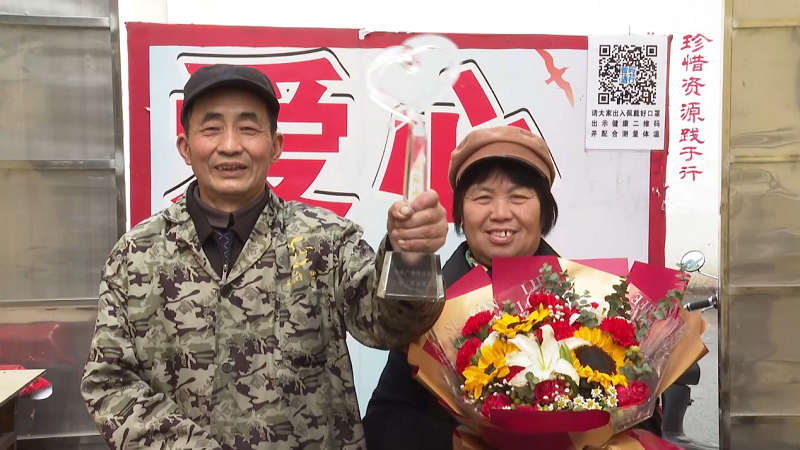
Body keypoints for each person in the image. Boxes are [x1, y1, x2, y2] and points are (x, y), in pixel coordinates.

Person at [80, 64, 448, 450]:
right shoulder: (136, 255)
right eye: (212, 128)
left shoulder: (327, 241)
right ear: (185, 148)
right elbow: (108, 384)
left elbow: (390, 327)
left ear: (275, 146)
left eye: (248, 128)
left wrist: (409, 256)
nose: (230, 145)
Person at [362, 126, 663, 449]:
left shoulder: (594, 301)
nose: (501, 214)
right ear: (460, 210)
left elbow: (644, 421)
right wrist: (461, 444)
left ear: (544, 209)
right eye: (483, 197)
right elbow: (383, 421)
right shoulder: (430, 306)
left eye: (519, 196)